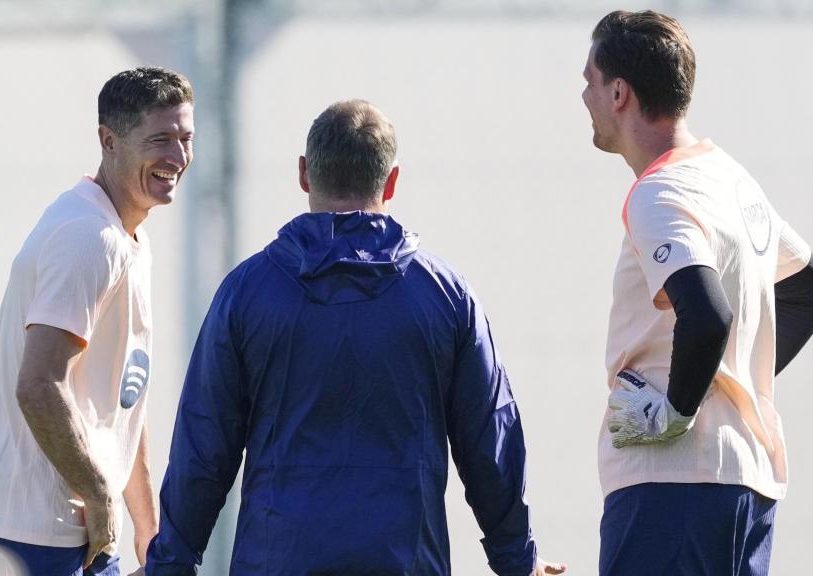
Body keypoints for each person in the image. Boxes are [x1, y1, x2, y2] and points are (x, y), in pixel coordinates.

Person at [141, 100, 565, 576]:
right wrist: (517, 558)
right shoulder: (445, 295)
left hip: (277, 562)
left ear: (304, 174)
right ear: (392, 181)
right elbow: (490, 438)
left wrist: (169, 564)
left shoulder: (246, 292)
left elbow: (203, 445)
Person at [581, 10, 813, 576]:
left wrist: (673, 410)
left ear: (619, 93)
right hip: (748, 486)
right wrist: (731, 378)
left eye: (590, 81)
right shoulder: (732, 180)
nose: (584, 96)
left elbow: (706, 316)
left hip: (672, 484)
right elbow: (811, 290)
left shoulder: (659, 191)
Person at [0, 67, 196, 575]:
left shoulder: (125, 236)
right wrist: (100, 496)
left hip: (76, 527)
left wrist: (147, 527)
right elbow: (39, 384)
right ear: (109, 141)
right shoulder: (89, 237)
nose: (178, 156)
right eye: (160, 140)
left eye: (185, 138)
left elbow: (123, 395)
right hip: (30, 530)